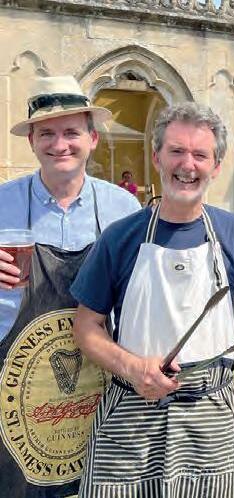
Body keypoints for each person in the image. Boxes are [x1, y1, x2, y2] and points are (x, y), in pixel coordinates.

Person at [70, 102, 234, 497]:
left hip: (211, 412)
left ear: (216, 166)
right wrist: (132, 366)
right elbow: (86, 325)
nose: (187, 165)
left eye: (200, 155)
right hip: (132, 410)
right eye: (176, 151)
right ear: (157, 156)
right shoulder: (119, 237)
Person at [0, 76, 141, 496]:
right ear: (32, 142)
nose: (59, 144)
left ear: (92, 139)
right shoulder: (3, 202)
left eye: (71, 133)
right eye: (46, 133)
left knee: (101, 485)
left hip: (100, 378)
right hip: (16, 382)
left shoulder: (123, 208)